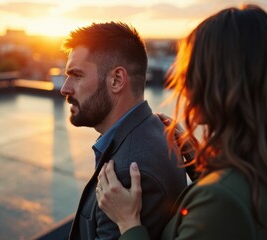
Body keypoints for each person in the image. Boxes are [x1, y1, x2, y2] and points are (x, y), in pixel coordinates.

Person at [96, 5, 267, 240]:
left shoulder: (220, 201)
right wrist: (204, 169)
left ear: (218, 83)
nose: (185, 87)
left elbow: (227, 208)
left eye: (190, 73)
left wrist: (128, 222)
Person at [60, 22, 189, 240]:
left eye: (77, 75)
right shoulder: (157, 130)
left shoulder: (127, 175)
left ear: (117, 80)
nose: (65, 88)